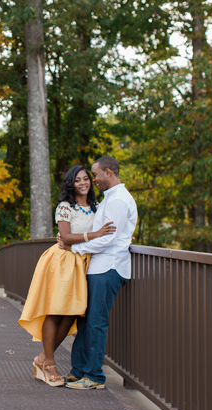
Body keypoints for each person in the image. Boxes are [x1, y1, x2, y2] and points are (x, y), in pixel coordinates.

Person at [18, 165, 116, 387]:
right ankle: (49, 363)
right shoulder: (65, 207)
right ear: (70, 184)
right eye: (77, 180)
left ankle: (42, 358)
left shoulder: (96, 206)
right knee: (55, 312)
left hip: (83, 263)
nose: (83, 183)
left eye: (86, 179)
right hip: (63, 261)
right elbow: (65, 236)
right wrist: (95, 234)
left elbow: (107, 232)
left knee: (72, 314)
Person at [58, 156, 138, 390]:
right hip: (97, 267)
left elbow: (107, 240)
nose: (94, 180)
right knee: (85, 321)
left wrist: (75, 247)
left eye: (96, 175)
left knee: (96, 322)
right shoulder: (109, 199)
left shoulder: (118, 201)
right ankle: (78, 370)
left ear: (109, 173)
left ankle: (94, 377)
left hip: (108, 268)